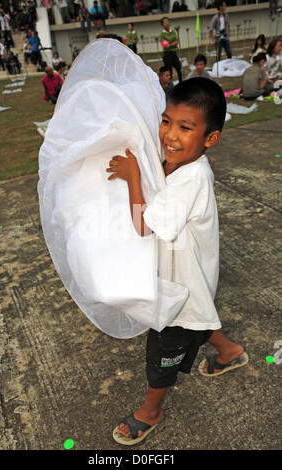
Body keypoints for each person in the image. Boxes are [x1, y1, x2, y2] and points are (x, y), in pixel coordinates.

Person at [107, 77, 248, 445]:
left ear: (210, 139)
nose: (170, 134)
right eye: (166, 121)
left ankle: (151, 410)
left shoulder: (192, 178)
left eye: (186, 127)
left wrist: (133, 176)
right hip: (189, 283)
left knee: (164, 349)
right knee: (197, 321)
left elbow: (143, 225)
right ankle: (229, 351)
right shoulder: (178, 164)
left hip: (180, 287)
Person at [160, 16, 182, 83]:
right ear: (162, 25)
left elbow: (177, 41)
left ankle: (181, 81)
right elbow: (165, 46)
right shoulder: (162, 34)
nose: (167, 23)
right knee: (169, 71)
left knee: (179, 67)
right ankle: (170, 85)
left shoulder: (173, 31)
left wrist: (170, 44)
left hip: (174, 53)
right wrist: (173, 44)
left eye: (167, 22)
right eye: (165, 22)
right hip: (167, 54)